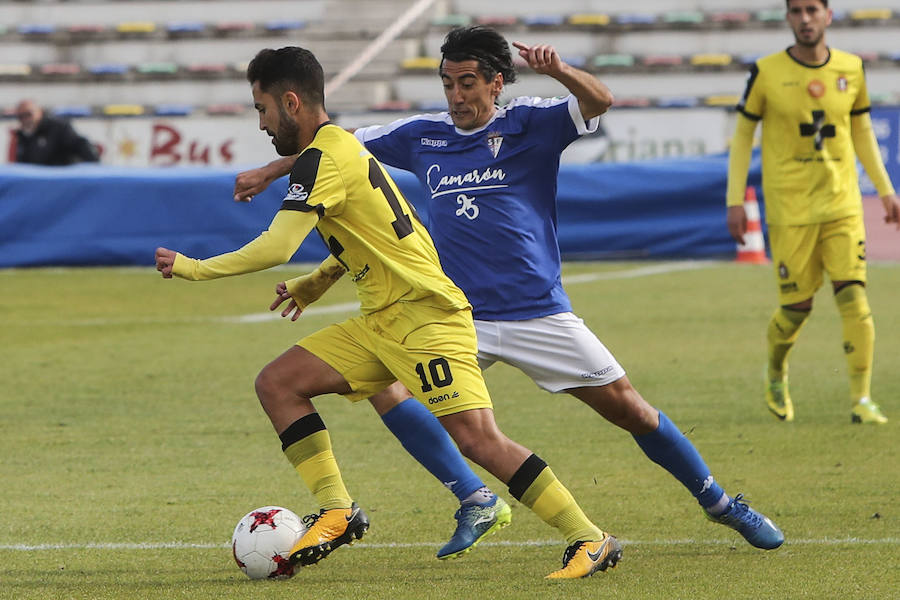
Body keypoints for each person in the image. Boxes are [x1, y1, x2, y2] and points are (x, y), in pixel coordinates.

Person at [236, 25, 785, 563]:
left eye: (468, 83)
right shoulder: (421, 134)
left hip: (537, 312)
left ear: (498, 84)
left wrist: (561, 71)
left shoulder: (533, 123)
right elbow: (337, 149)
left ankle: (719, 502)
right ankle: (473, 497)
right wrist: (274, 168)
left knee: (632, 411)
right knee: (387, 389)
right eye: (449, 83)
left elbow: (601, 99)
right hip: (455, 316)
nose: (456, 97)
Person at [158, 45, 622, 580]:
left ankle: (589, 538)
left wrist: (192, 268)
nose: (261, 124)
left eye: (262, 110)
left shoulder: (324, 158)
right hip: (382, 318)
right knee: (279, 383)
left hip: (426, 318)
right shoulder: (337, 152)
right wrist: (316, 282)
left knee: (478, 440)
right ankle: (337, 509)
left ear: (290, 102)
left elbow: (275, 247)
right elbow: (372, 233)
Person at [726, 0, 898, 424]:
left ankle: (861, 399)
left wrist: (887, 190)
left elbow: (860, 131)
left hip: (842, 203)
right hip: (790, 207)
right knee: (796, 307)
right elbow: (743, 135)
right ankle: (776, 370)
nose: (805, 19)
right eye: (797, 11)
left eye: (812, 10)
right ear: (788, 18)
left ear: (828, 15)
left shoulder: (851, 68)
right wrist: (734, 199)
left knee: (854, 295)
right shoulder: (765, 72)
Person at [13, 99, 99, 165]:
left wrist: (94, 166)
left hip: (61, 180)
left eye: (29, 114)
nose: (25, 119)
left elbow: (80, 144)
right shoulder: (22, 136)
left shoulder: (59, 128)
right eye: (21, 116)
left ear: (40, 112)